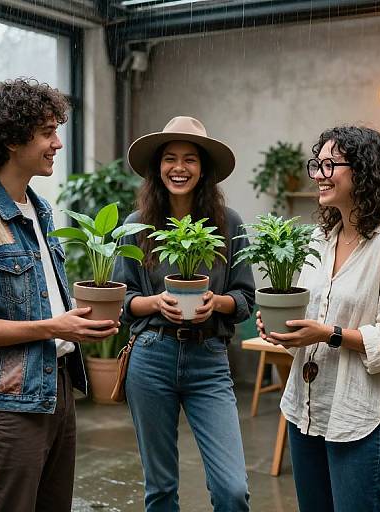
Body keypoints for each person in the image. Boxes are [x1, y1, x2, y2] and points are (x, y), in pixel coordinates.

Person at [0, 78, 118, 512]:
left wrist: (71, 321)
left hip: (53, 386)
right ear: (13, 140)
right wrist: (54, 326)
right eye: (47, 132)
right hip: (6, 404)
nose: (58, 143)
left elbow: (36, 299)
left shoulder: (37, 209)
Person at [256, 126, 380, 512]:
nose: (317, 173)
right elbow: (306, 307)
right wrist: (283, 329)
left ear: (365, 172)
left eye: (330, 164)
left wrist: (330, 334)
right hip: (308, 407)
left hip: (361, 417)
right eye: (317, 163)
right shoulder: (322, 236)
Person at [113, 116, 254, 511]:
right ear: (158, 167)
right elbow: (123, 301)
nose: (179, 167)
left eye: (190, 159)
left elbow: (245, 296)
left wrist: (218, 302)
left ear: (203, 169)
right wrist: (156, 303)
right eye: (170, 158)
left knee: (232, 490)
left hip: (209, 359)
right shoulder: (136, 226)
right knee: (160, 489)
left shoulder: (229, 225)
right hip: (151, 356)